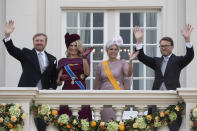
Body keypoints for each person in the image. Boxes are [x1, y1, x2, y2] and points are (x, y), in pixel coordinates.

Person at [134, 25, 194, 131]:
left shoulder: (178, 61)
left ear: (172, 47)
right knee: (155, 127)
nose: (164, 48)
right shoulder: (156, 61)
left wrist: (187, 39)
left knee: (173, 127)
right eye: (161, 46)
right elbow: (142, 57)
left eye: (166, 46)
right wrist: (139, 41)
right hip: (156, 100)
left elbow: (189, 56)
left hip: (172, 101)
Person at [3, 20, 57, 131]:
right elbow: (12, 50)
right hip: (26, 91)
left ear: (45, 43)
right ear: (33, 42)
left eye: (41, 40)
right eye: (37, 40)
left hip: (44, 95)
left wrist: (51, 88)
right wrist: (8, 35)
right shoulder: (26, 53)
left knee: (42, 122)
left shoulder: (52, 58)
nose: (39, 42)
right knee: (25, 121)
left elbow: (54, 77)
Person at [94, 35, 139, 122]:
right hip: (104, 97)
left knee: (116, 121)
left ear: (118, 51)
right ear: (107, 51)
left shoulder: (122, 62)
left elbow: (128, 74)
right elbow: (97, 84)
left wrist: (130, 61)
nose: (113, 51)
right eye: (111, 49)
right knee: (104, 123)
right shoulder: (101, 65)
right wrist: (95, 100)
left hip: (117, 96)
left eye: (115, 49)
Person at [57, 32, 93, 121]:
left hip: (80, 90)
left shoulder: (85, 60)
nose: (73, 48)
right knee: (66, 118)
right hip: (66, 91)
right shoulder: (62, 61)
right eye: (71, 45)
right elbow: (58, 82)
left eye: (75, 45)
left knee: (83, 117)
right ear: (68, 47)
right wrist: (61, 79)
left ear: (78, 47)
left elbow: (87, 73)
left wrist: (84, 58)